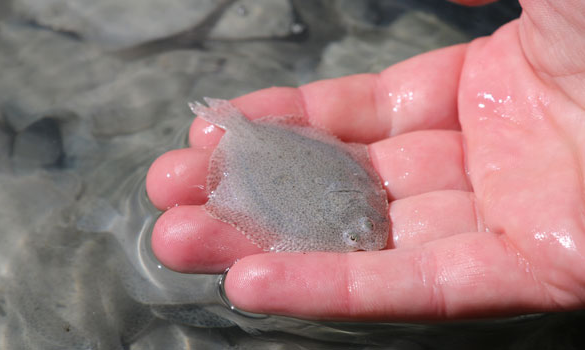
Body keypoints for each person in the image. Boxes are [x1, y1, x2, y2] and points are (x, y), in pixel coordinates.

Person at [146, 0, 585, 321]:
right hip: (261, 155)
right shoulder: (348, 214)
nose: (369, 238)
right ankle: (228, 123)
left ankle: (227, 122)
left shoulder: (359, 213)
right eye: (363, 234)